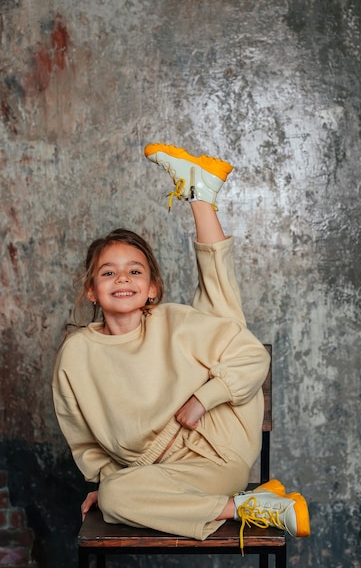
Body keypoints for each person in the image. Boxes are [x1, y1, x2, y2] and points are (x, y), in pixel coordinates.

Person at [52, 143, 310, 553]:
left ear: (152, 289)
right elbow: (83, 440)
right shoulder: (76, 354)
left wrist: (204, 398)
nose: (123, 279)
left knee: (218, 326)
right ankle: (201, 196)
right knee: (117, 496)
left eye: (135, 271)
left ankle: (201, 194)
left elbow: (251, 355)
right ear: (91, 291)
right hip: (156, 474)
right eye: (108, 272)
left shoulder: (171, 319)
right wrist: (115, 483)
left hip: (214, 448)